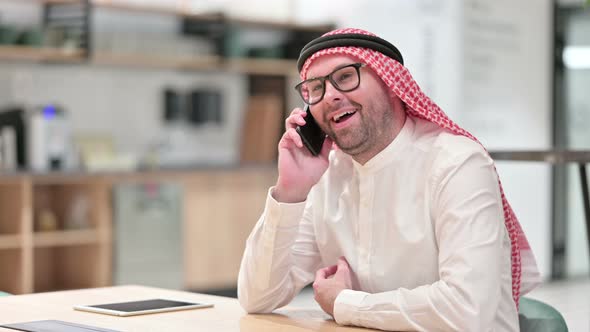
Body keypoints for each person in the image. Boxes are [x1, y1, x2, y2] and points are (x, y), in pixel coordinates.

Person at [237, 28, 541, 331]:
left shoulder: (457, 164)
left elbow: (466, 310)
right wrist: (290, 192)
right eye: (315, 88)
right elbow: (257, 298)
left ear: (391, 83)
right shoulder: (328, 176)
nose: (330, 96)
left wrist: (344, 303)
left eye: (345, 77)